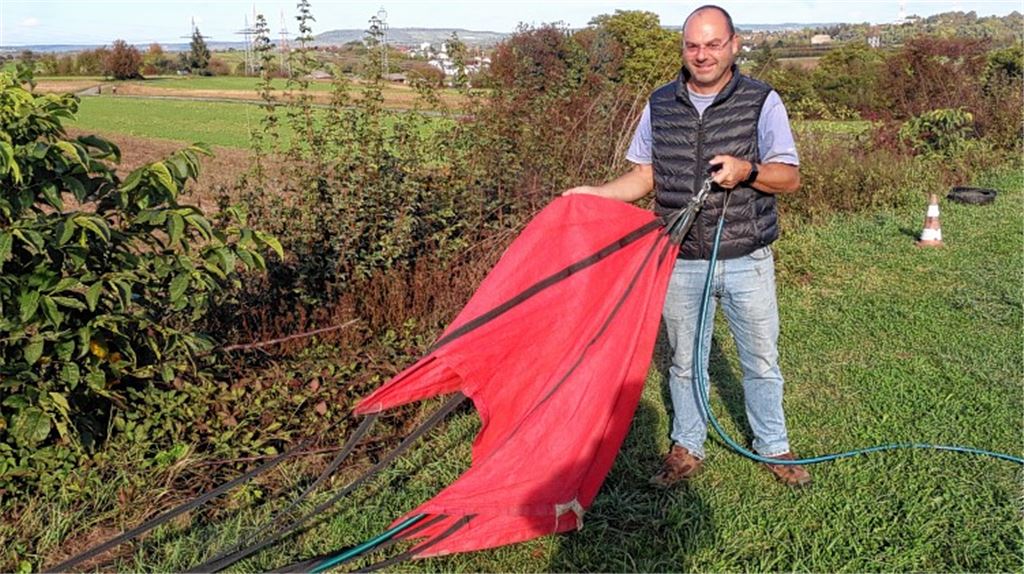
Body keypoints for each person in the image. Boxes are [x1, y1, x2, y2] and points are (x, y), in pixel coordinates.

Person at [563, 5, 810, 487]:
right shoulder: (659, 103)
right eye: (693, 45)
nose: (703, 55)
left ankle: (773, 445)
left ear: (734, 45)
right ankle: (687, 446)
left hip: (748, 258)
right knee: (684, 362)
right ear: (683, 49)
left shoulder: (762, 100)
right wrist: (592, 195)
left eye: (713, 44)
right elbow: (644, 176)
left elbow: (790, 177)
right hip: (681, 260)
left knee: (761, 361)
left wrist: (748, 171)